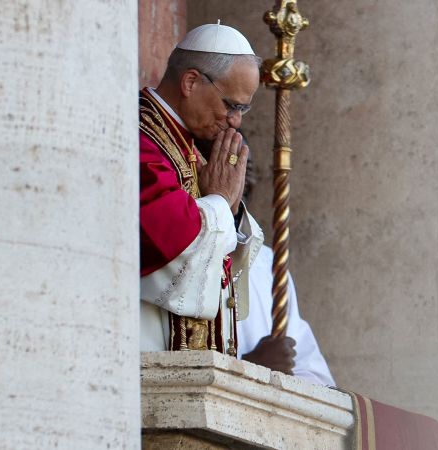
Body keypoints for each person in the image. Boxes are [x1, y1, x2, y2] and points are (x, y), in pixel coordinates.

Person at [140, 22, 334, 386]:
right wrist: (219, 201)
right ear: (191, 82)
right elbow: (163, 242)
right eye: (231, 105)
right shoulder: (142, 139)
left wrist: (227, 206)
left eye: (243, 109)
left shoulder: (184, 143)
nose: (235, 121)